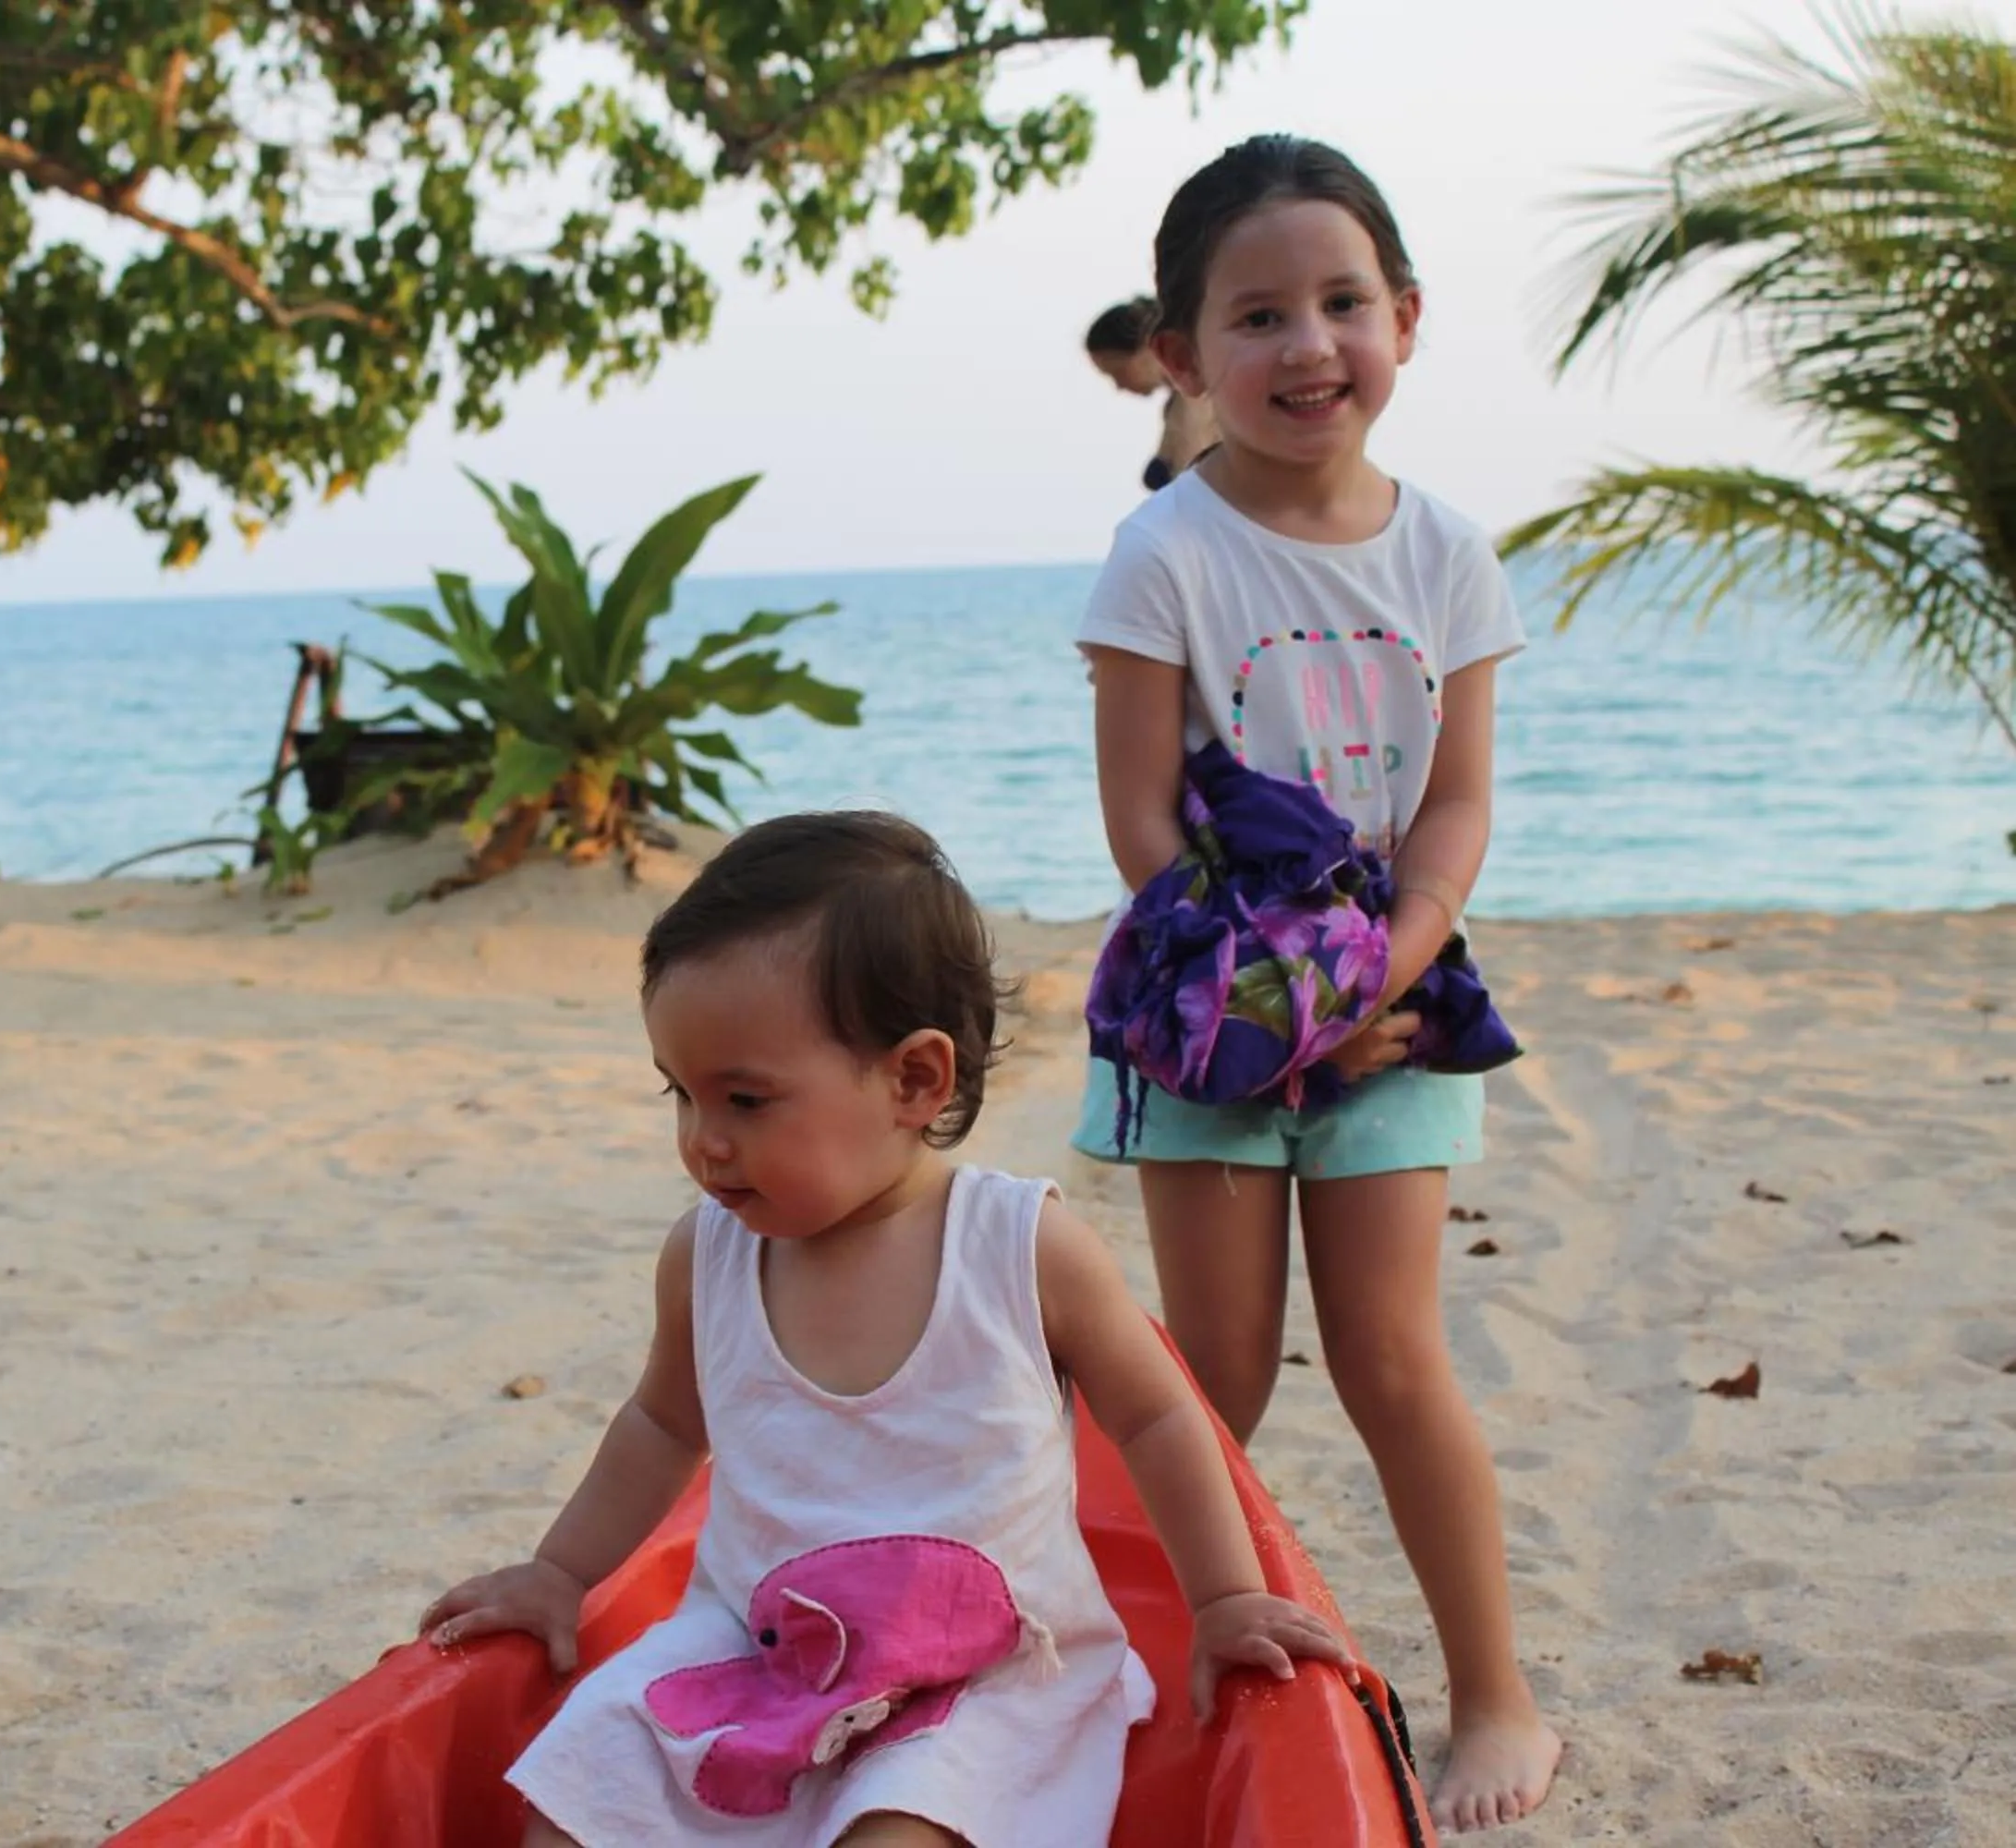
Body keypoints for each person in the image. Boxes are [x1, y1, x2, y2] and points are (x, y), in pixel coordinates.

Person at [420, 811, 1354, 1848]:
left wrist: (1225, 1595)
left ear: (915, 1079)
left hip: (985, 1677)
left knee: (903, 1830)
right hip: (754, 1648)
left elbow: (1161, 1419)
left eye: (745, 1098)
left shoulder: (1017, 1244)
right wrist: (559, 1572)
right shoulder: (710, 1255)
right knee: (576, 1793)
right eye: (679, 1092)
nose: (702, 1139)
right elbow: (658, 1422)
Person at [1073, 135, 1562, 1833]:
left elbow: (1460, 801)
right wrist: (1274, 996)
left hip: (1404, 1002)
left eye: (1342, 303)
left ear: (1406, 322)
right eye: (1257, 314)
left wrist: (1387, 966)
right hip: (1210, 1005)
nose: (1307, 346)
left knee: (1392, 1357)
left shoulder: (1449, 554)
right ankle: (1145, 1661)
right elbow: (1143, 817)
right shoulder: (1166, 554)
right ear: (1182, 356)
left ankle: (1493, 1695)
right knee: (1209, 1363)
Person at [1084, 296, 1220, 491]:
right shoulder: (1179, 404)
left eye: (1118, 371)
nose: (1119, 386)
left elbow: (1195, 482)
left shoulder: (1199, 396)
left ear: (1145, 347)